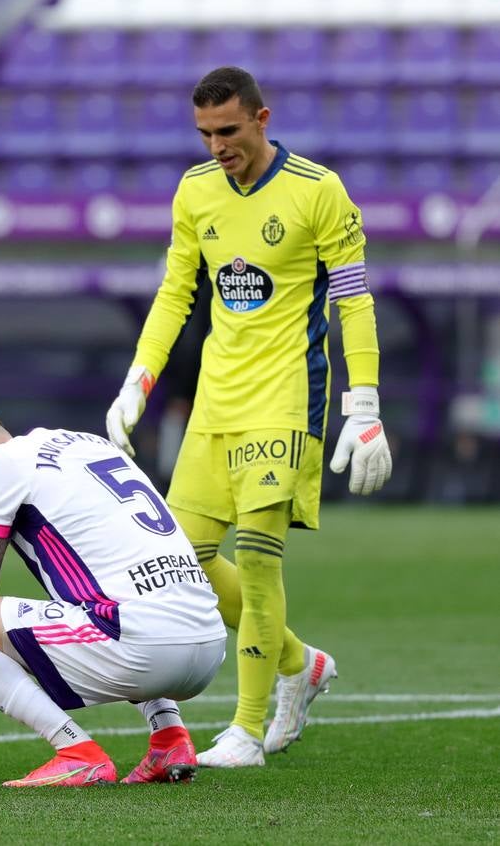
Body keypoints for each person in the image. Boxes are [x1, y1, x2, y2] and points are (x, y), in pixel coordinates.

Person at [105, 67, 392, 767]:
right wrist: (138, 379)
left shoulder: (318, 191)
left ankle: (246, 727)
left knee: (260, 560)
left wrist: (367, 404)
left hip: (287, 396)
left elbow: (353, 298)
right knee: (186, 557)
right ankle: (298, 662)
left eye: (228, 131)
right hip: (215, 399)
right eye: (204, 134)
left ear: (262, 118)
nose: (216, 147)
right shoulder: (194, 190)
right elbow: (177, 291)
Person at [0, 408, 226, 787]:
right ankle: (169, 737)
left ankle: (76, 751)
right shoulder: (91, 444)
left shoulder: (1, 462)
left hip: (145, 647)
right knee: (109, 599)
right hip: (210, 643)